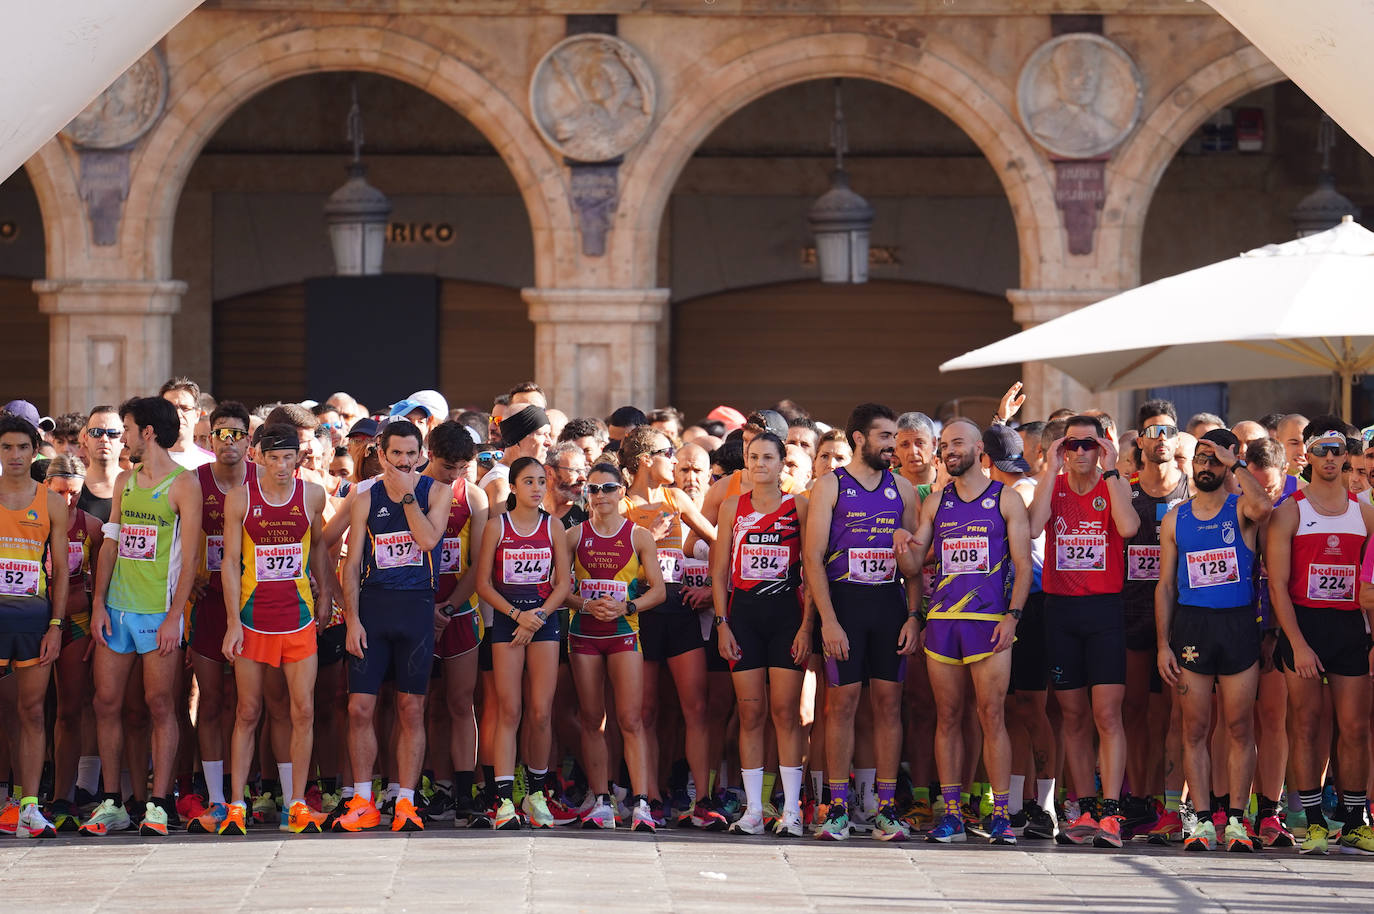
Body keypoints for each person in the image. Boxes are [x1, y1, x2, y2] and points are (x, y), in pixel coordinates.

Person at [81, 397, 202, 837]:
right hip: (117, 609)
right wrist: (98, 604)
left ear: (147, 432)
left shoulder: (183, 484)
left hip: (158, 613)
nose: (122, 437)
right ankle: (113, 801)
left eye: (127, 429)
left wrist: (175, 617)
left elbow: (189, 561)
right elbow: (111, 540)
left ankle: (158, 802)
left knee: (160, 704)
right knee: (106, 703)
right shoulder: (126, 481)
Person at [805, 403, 922, 841]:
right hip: (845, 606)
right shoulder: (830, 486)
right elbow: (813, 559)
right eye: (885, 437)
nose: (893, 446)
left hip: (889, 606)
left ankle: (886, 808)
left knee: (889, 706)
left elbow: (913, 566)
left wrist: (914, 615)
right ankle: (837, 807)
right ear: (859, 439)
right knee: (843, 706)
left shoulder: (905, 491)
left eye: (895, 438)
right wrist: (829, 622)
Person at [910, 418, 1031, 846]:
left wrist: (1012, 616)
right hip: (943, 622)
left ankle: (1000, 814)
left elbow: (1023, 566)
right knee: (947, 718)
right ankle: (951, 814)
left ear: (980, 448)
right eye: (944, 445)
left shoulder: (1007, 499)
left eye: (956, 443)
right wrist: (901, 547)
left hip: (990, 622)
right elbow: (913, 563)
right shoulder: (936, 502)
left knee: (991, 715)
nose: (948, 451)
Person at [216, 424, 335, 836]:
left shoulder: (314, 495)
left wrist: (326, 595)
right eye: (275, 458)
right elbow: (230, 562)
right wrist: (233, 621)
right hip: (253, 620)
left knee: (303, 710)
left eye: (290, 458)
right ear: (258, 457)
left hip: (299, 619)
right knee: (248, 711)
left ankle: (297, 804)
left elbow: (319, 545)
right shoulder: (241, 499)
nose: (282, 466)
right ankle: (235, 806)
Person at [1154, 428, 1269, 853]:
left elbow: (1265, 505)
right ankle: (1201, 821)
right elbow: (1164, 586)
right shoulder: (1175, 517)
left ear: (1228, 465)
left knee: (1239, 726)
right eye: (1200, 459)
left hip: (1237, 625)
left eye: (1214, 460)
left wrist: (1236, 463)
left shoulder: (1242, 509)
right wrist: (1163, 644)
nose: (1206, 466)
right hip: (1193, 628)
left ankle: (1237, 821)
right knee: (1194, 728)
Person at [335, 419, 453, 833]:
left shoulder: (438, 491)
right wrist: (351, 619)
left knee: (410, 708)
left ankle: (405, 800)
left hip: (417, 607)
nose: (404, 461)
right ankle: (363, 800)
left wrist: (406, 498)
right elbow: (350, 564)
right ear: (380, 454)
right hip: (373, 606)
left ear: (421, 455)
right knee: (359, 707)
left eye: (411, 454)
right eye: (396, 454)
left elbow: (426, 541)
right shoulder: (363, 494)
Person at [1028, 414, 1138, 848]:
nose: (1078, 453)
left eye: (1088, 445)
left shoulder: (1113, 483)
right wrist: (1047, 471)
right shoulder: (1052, 484)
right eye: (1071, 445)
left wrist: (1111, 471)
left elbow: (1128, 528)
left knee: (1107, 714)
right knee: (1072, 716)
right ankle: (1087, 808)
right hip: (1061, 611)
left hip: (1104, 610)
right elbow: (1034, 527)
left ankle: (1112, 813)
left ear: (1102, 448)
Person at [1269, 416, 1374, 855]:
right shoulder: (1290, 511)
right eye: (1321, 449)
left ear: (1347, 457)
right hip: (1304, 626)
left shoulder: (1365, 512)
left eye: (1337, 450)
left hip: (1350, 627)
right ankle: (1311, 820)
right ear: (1306, 455)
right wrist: (1297, 644)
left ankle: (1353, 819)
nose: (1330, 458)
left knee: (1354, 726)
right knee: (1305, 725)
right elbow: (1276, 584)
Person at [617, 426, 720, 828]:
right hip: (641, 614)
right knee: (645, 711)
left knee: (696, 707)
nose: (675, 460)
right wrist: (645, 541)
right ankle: (651, 797)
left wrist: (713, 585)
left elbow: (719, 541)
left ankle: (702, 797)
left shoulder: (675, 498)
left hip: (678, 610)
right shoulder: (622, 506)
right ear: (646, 459)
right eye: (667, 452)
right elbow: (608, 564)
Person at [713, 433, 811, 837]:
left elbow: (813, 569)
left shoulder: (799, 505)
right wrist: (722, 623)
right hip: (744, 618)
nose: (759, 464)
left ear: (782, 463)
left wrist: (809, 626)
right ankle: (753, 809)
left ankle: (791, 810)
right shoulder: (732, 506)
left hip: (788, 616)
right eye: (753, 457)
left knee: (786, 714)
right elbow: (719, 573)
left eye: (768, 457)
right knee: (750, 714)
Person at [566, 463, 665, 831]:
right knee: (592, 719)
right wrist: (585, 604)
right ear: (586, 495)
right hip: (585, 635)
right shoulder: (573, 536)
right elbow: (561, 590)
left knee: (631, 719)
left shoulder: (639, 536)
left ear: (621, 491)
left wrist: (627, 606)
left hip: (625, 633)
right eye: (593, 489)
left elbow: (658, 590)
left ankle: (640, 803)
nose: (601, 495)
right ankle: (602, 800)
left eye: (608, 487)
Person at [474, 457, 572, 829]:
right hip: (509, 624)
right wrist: (518, 616)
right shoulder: (497, 526)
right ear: (512, 487)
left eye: (540, 481)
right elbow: (483, 583)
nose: (535, 488)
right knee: (508, 710)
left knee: (541, 712)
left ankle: (535, 794)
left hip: (543, 624)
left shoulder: (554, 527)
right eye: (527, 481)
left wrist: (540, 617)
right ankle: (502, 801)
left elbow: (563, 584)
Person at [183, 401, 256, 833]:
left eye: (236, 434)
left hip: (255, 605)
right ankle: (214, 797)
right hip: (208, 604)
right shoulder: (195, 481)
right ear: (209, 440)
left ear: (249, 439)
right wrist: (186, 574)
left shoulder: (265, 482)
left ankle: (249, 793)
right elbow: (177, 538)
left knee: (250, 704)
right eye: (220, 434)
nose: (228, 442)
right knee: (210, 701)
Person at [1120, 400, 1190, 837]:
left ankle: (1171, 805)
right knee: (1133, 711)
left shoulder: (1194, 492)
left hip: (1181, 617)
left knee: (1174, 716)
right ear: (1140, 440)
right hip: (1129, 613)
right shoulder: (1126, 492)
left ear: (1176, 439)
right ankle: (1139, 799)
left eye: (1167, 431)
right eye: (1151, 431)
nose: (1159, 439)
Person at [0, 415, 70, 837]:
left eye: (22, 448)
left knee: (30, 713)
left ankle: (28, 806)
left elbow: (61, 571)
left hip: (33, 621)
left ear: (34, 451)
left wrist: (57, 626)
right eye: (6, 447)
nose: (14, 455)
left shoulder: (51, 502)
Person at [424, 421, 489, 825]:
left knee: (461, 702)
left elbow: (479, 562)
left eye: (463, 467)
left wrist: (448, 608)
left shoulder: (475, 496)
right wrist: (425, 608)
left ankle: (466, 789)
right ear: (430, 454)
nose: (455, 475)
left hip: (459, 611)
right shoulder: (412, 489)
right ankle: (441, 786)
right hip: (415, 609)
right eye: (449, 467)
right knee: (426, 705)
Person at [41, 456, 102, 831]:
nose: (67, 501)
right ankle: (22, 793)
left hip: (75, 624)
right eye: (59, 492)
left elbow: (103, 581)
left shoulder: (92, 526)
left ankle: (63, 796)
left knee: (69, 711)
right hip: (32, 621)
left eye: (74, 493)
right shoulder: (28, 520)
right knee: (27, 711)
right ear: (45, 486)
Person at [77, 406, 124, 522]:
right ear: (86, 439)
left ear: (124, 439)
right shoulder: (72, 486)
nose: (104, 439)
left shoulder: (136, 484)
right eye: (96, 432)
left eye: (113, 433)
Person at [159, 377, 214, 470]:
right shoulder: (145, 463)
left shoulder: (212, 463)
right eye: (170, 408)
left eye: (185, 408)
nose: (178, 414)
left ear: (197, 415)